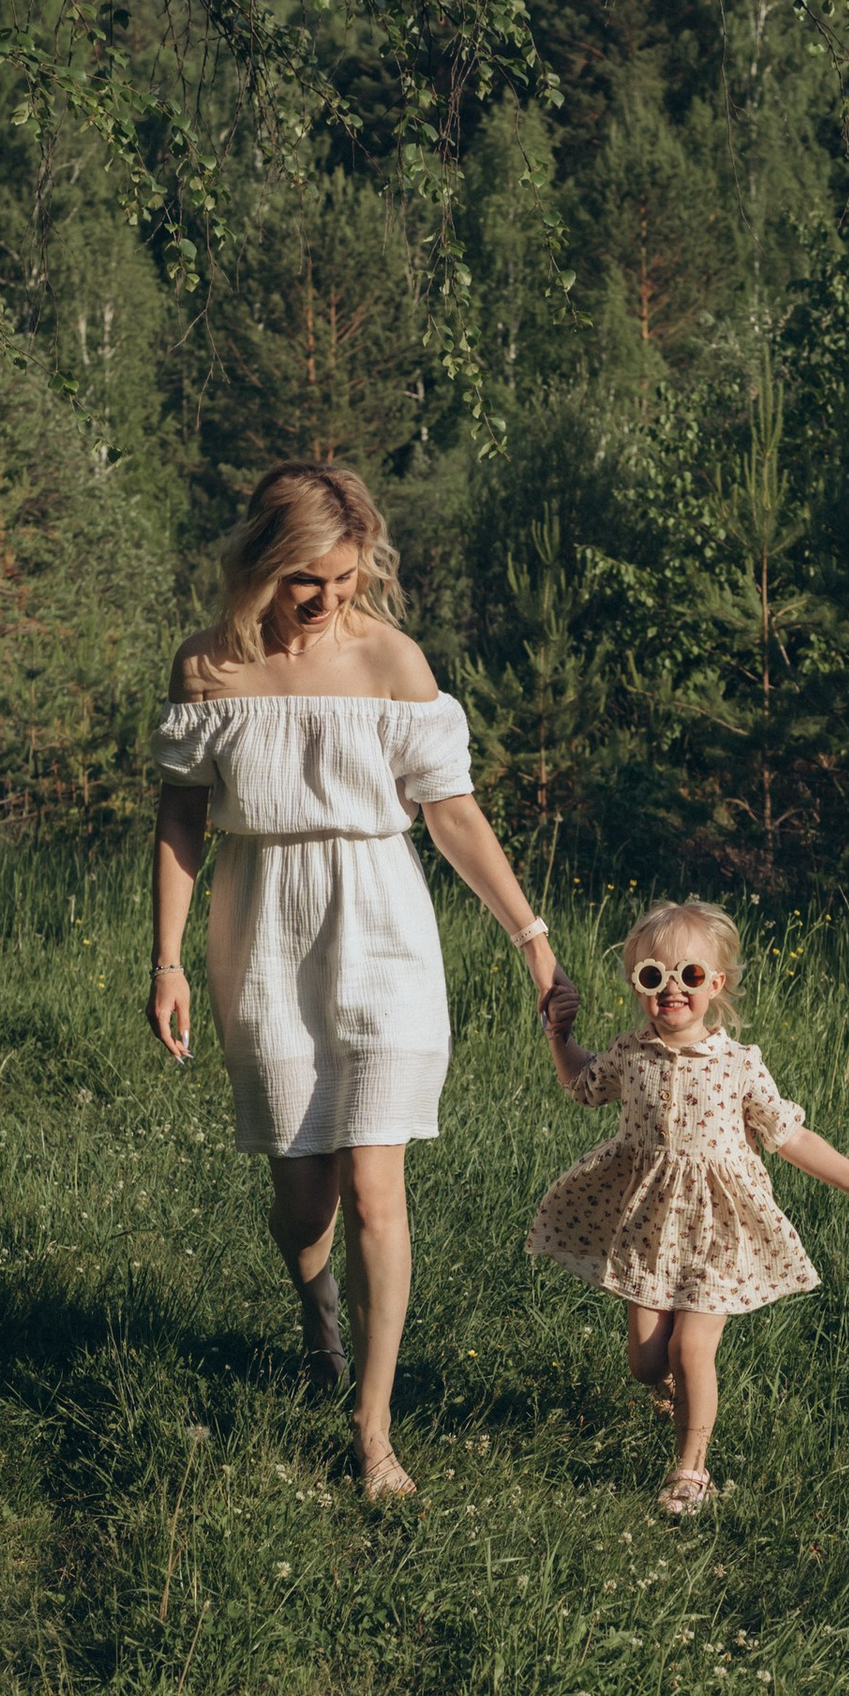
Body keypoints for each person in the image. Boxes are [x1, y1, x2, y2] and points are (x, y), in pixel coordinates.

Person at [148, 461, 571, 1501]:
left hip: (382, 931)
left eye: (344, 580)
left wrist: (532, 939)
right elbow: (181, 817)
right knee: (303, 1204)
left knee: (377, 1192)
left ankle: (372, 1430)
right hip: (261, 935)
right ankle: (319, 1321)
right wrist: (166, 960)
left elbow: (452, 812)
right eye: (307, 581)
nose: (327, 600)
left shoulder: (390, 659)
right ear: (262, 564)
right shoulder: (207, 668)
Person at [527, 900, 849, 1518]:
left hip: (719, 1231)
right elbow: (582, 1084)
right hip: (649, 1230)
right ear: (637, 986)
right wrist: (560, 1037)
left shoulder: (739, 1065)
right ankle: (671, 1391)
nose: (671, 989)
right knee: (646, 1362)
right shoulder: (630, 1053)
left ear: (716, 984)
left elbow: (790, 1136)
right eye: (653, 976)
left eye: (689, 975)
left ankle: (691, 1470)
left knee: (691, 1349)